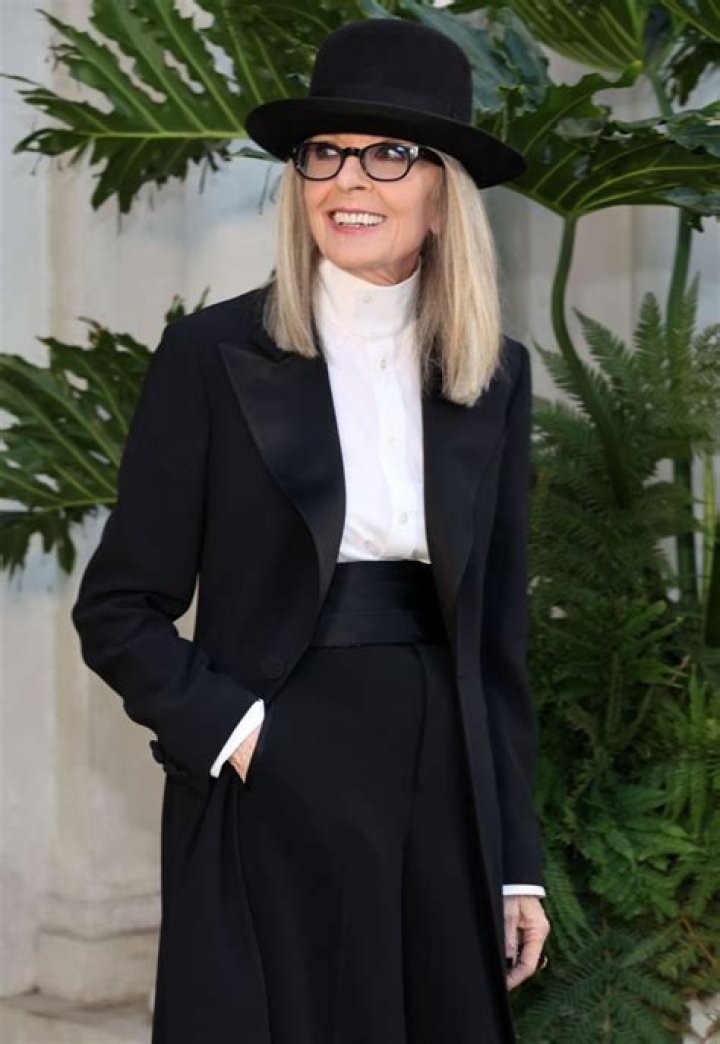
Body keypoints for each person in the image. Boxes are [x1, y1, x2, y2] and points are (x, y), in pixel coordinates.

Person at [71, 17, 550, 1044]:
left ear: (444, 194)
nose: (348, 181)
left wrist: (517, 863)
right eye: (324, 153)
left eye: (389, 154)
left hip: (440, 774)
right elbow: (118, 610)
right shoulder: (211, 355)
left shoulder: (496, 375)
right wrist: (242, 735)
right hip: (273, 762)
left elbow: (497, 647)